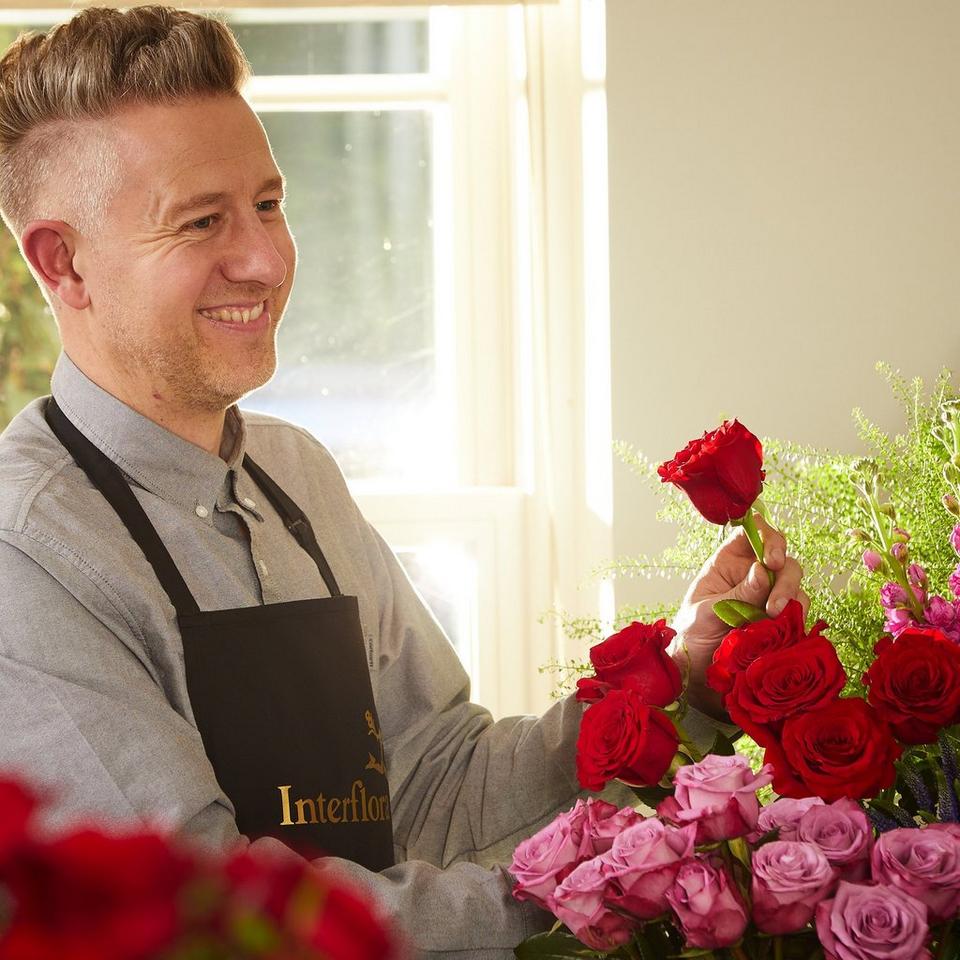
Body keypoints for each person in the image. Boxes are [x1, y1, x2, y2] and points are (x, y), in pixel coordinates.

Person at [0, 7, 806, 957]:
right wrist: (587, 895)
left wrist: (678, 683)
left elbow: (437, 785)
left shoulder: (293, 473)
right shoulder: (27, 555)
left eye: (267, 202)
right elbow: (208, 918)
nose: (264, 258)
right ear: (64, 263)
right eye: (200, 221)